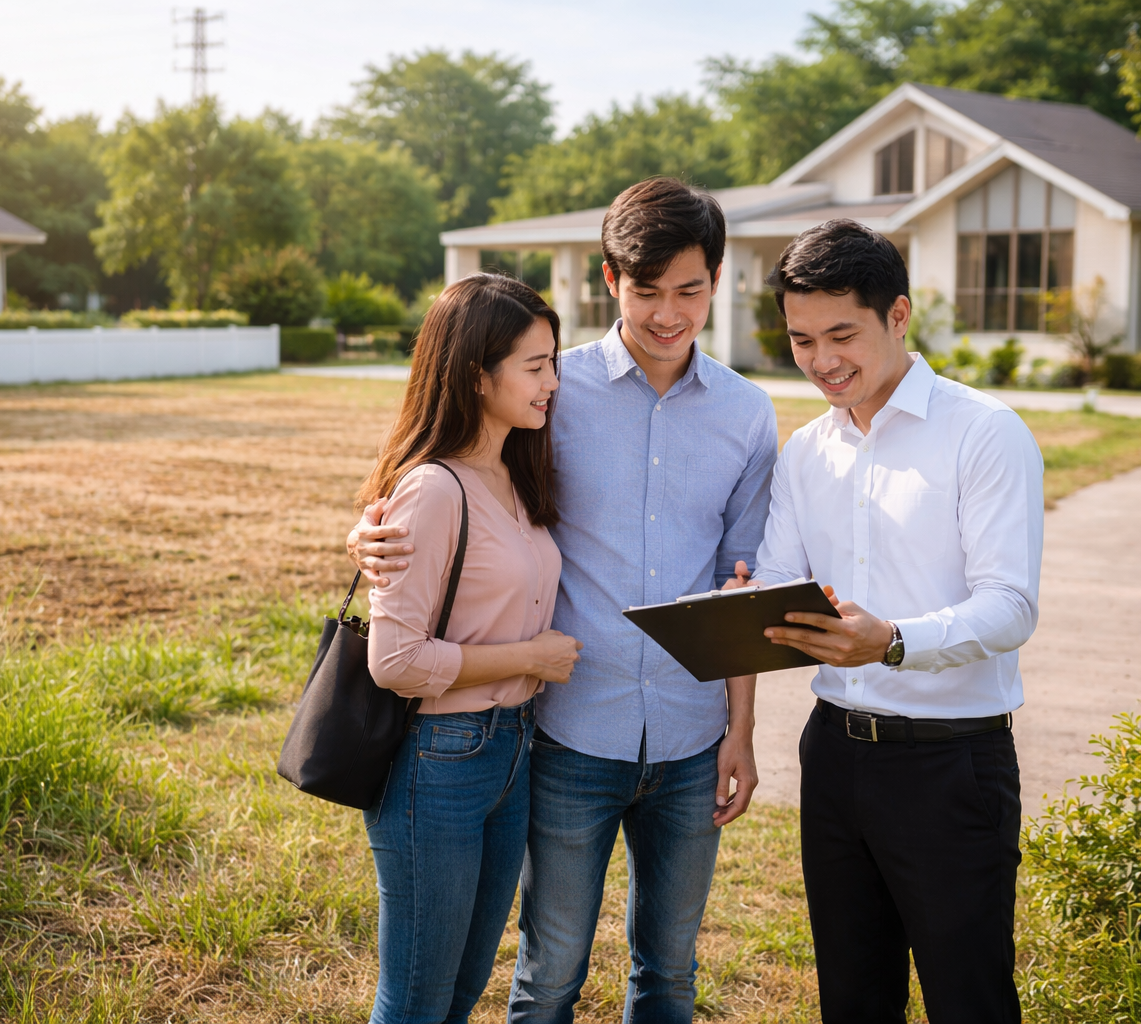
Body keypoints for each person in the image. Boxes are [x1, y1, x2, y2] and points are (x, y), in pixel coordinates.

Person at [353, 177, 778, 1022]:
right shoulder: (551, 387)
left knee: (671, 974)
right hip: (568, 734)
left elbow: (742, 584)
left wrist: (742, 731)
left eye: (689, 290)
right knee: (547, 978)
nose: (669, 312)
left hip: (693, 742)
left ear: (718, 282)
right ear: (611, 281)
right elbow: (450, 474)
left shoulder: (749, 414)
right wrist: (368, 533)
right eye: (647, 289)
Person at [733, 219, 1043, 1022]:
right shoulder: (806, 450)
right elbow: (777, 581)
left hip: (950, 767)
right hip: (833, 756)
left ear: (898, 317)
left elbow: (1010, 607)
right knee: (853, 998)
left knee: (968, 997)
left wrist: (895, 642)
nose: (822, 360)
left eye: (843, 334)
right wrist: (745, 604)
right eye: (801, 340)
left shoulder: (984, 433)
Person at [360, 273, 585, 1024]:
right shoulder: (432, 489)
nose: (553, 382)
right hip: (439, 760)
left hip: (512, 753)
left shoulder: (515, 474)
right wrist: (531, 658)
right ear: (474, 374)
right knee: (418, 999)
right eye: (535, 365)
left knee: (460, 991)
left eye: (553, 362)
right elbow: (394, 663)